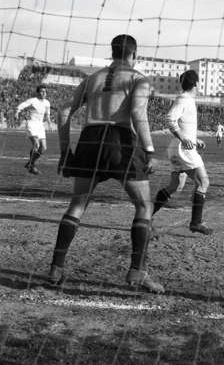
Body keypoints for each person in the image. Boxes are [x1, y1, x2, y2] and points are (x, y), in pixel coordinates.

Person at [48, 34, 163, 293]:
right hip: (120, 141)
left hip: (89, 140)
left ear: (112, 52)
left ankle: (55, 268)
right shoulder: (138, 78)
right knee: (144, 205)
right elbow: (137, 113)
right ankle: (137, 271)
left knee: (78, 205)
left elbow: (63, 111)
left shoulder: (91, 79)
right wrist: (149, 149)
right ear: (134, 54)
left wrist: (66, 151)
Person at [153, 69, 212, 235]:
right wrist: (183, 139)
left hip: (177, 148)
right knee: (203, 182)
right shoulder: (184, 99)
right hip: (183, 150)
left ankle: (145, 216)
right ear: (196, 83)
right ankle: (196, 223)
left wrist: (194, 139)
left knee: (175, 185)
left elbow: (183, 124)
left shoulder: (186, 99)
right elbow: (170, 119)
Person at [15, 85, 51, 175]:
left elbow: (47, 114)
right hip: (32, 124)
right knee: (36, 145)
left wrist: (49, 123)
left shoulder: (47, 103)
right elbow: (22, 105)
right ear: (38, 93)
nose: (44, 93)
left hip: (40, 126)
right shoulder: (33, 100)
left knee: (43, 148)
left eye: (45, 92)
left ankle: (30, 164)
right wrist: (17, 112)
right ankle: (31, 165)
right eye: (42, 91)